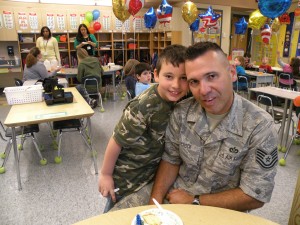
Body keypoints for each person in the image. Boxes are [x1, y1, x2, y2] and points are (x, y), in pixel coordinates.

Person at [150, 42, 278, 212]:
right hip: (175, 198)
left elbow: (254, 195)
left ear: (232, 73)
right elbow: (171, 160)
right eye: (194, 81)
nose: (203, 90)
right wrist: (154, 205)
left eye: (211, 76)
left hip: (222, 211)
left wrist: (194, 200)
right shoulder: (182, 112)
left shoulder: (260, 126)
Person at [98, 45, 189, 212]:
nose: (176, 85)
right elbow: (117, 140)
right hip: (128, 178)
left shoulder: (181, 100)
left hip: (151, 176)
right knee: (115, 215)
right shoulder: (143, 105)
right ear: (156, 75)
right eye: (169, 76)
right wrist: (106, 174)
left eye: (183, 78)